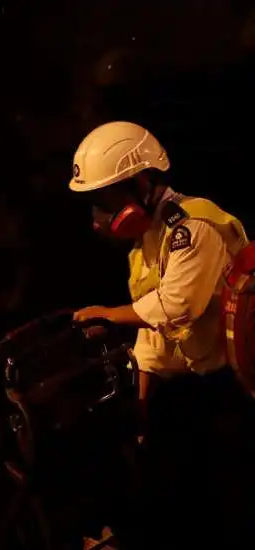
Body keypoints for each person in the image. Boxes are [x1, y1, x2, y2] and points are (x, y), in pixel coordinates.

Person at [69, 121, 255, 548]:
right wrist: (141, 406)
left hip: (227, 392)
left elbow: (177, 305)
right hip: (187, 393)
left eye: (106, 197)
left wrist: (109, 316)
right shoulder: (146, 243)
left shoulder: (193, 226)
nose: (100, 213)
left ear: (141, 182)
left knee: (224, 515)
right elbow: (153, 333)